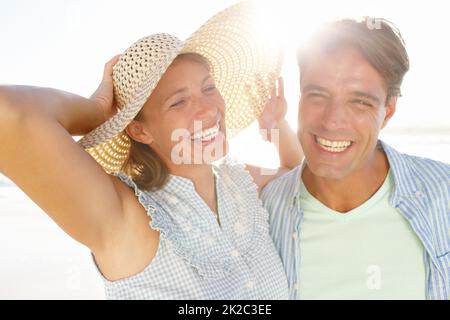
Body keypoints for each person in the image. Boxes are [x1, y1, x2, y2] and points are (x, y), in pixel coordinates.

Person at [0, 2, 302, 299]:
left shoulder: (239, 182)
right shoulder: (126, 218)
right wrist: (96, 111)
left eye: (208, 88)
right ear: (139, 130)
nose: (209, 110)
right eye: (178, 102)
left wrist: (278, 125)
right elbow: (8, 114)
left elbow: (295, 177)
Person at [261, 17, 450, 300]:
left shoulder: (443, 193)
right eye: (318, 95)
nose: (333, 121)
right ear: (299, 97)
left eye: (359, 102)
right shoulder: (263, 212)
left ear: (387, 111)